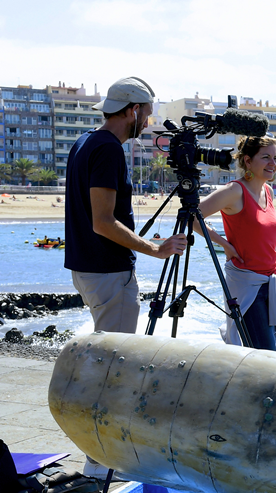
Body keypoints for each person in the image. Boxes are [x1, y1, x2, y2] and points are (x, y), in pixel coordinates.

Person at [64, 76, 187, 334]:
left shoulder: (84, 142)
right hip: (108, 272)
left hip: (85, 269)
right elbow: (103, 223)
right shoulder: (109, 149)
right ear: (133, 110)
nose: (146, 123)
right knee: (112, 362)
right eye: (146, 115)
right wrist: (156, 249)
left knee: (103, 352)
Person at [194, 136, 276, 352]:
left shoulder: (268, 191)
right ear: (247, 161)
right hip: (246, 284)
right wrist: (224, 245)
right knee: (266, 356)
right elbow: (192, 217)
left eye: (275, 158)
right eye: (265, 157)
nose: (273, 163)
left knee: (268, 353)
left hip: (270, 281)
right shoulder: (234, 191)